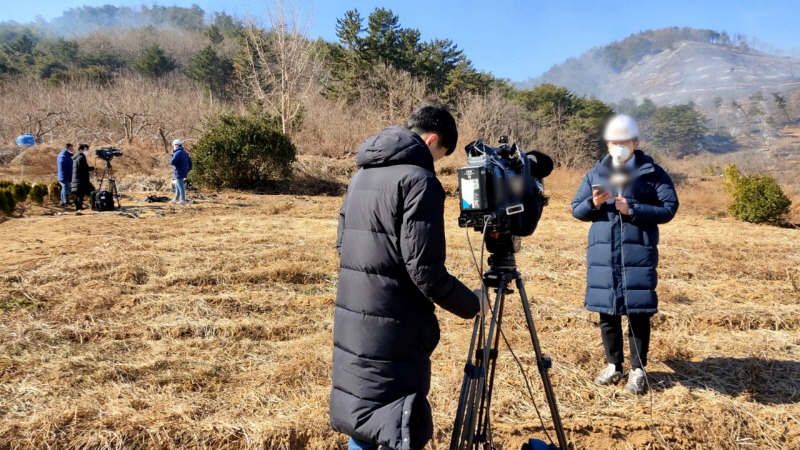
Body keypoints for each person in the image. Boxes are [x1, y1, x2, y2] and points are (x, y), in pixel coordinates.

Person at [330, 104, 487, 450]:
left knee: (365, 414)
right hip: (395, 325)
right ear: (432, 140)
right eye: (442, 155)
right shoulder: (419, 180)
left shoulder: (361, 175)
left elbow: (342, 244)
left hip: (354, 318)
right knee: (396, 419)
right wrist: (472, 302)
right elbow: (424, 269)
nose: (438, 163)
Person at [570, 114, 679, 394]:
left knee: (637, 312)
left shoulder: (652, 173)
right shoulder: (595, 173)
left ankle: (637, 369)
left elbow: (668, 208)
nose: (618, 146)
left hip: (637, 252)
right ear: (607, 144)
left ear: (635, 142)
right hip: (603, 255)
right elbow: (577, 210)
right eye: (613, 142)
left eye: (624, 141)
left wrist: (633, 209)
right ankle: (613, 365)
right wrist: (594, 203)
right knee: (607, 312)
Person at [71, 144, 94, 211]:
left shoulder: (75, 157)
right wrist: (92, 168)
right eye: (85, 150)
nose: (86, 151)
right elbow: (84, 168)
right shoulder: (81, 158)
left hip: (76, 178)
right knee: (80, 194)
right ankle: (79, 208)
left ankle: (78, 207)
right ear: (81, 150)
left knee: (77, 194)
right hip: (80, 179)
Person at [170, 139, 192, 204]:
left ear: (176, 145)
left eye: (173, 145)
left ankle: (183, 200)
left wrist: (172, 157)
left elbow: (172, 162)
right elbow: (190, 163)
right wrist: (187, 170)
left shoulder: (177, 153)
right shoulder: (185, 153)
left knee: (180, 185)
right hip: (184, 170)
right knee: (177, 184)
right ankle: (176, 198)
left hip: (179, 171)